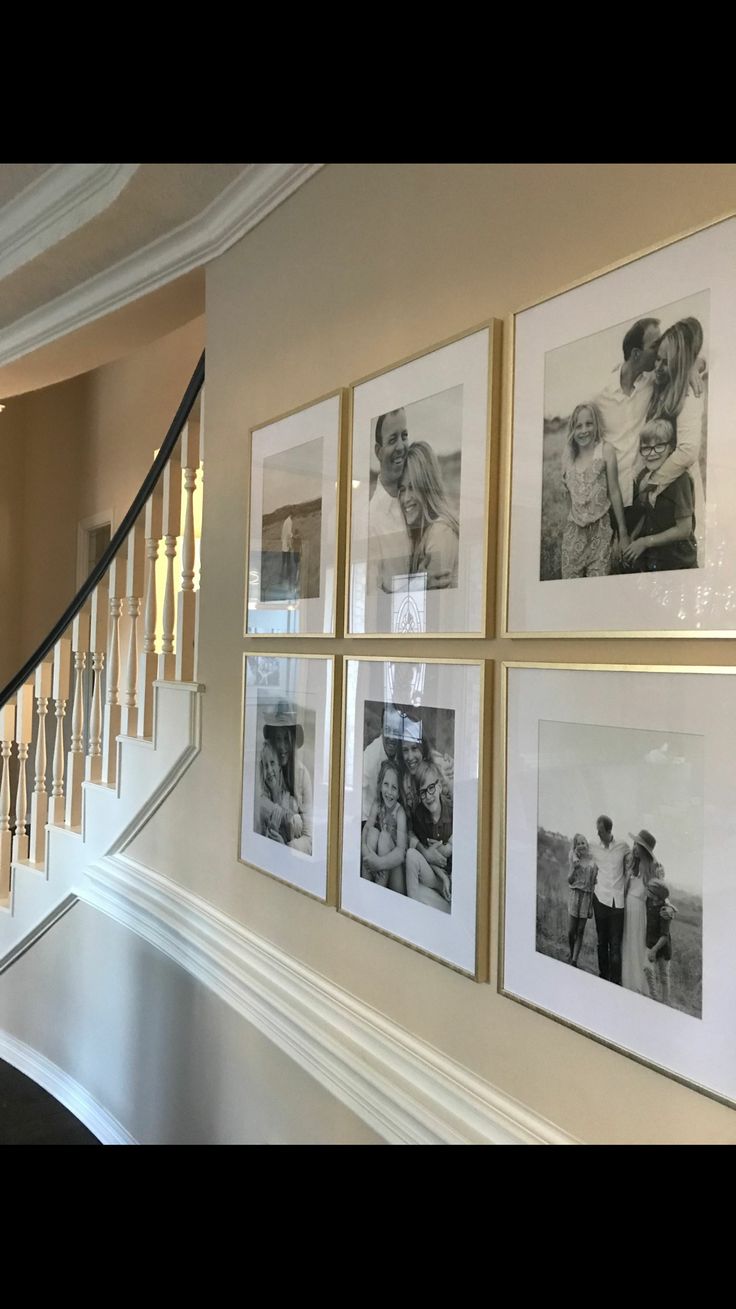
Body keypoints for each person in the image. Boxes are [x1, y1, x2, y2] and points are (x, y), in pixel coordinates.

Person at [643, 320, 706, 564]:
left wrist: (651, 483)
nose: (658, 367)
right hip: (661, 498)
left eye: (665, 362)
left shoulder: (689, 392)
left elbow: (688, 451)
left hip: (678, 493)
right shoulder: (661, 386)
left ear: (680, 362)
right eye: (657, 359)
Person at [594, 317, 661, 528]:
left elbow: (697, 359)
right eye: (654, 346)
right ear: (635, 354)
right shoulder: (599, 396)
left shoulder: (651, 381)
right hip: (611, 497)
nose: (659, 352)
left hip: (644, 489)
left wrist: (695, 367)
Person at [560, 403, 628, 578]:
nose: (584, 430)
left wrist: (622, 531)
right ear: (572, 430)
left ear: (596, 424)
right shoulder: (568, 455)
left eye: (589, 424)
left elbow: (614, 491)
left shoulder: (605, 450)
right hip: (574, 535)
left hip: (600, 531)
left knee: (598, 588)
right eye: (578, 426)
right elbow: (568, 494)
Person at [622, 419, 697, 572]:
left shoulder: (680, 479)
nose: (652, 453)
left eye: (659, 446)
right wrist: (632, 541)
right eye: (646, 448)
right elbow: (646, 513)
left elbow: (684, 529)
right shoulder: (644, 476)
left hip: (680, 561)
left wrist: (645, 542)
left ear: (671, 448)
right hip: (656, 559)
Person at [398, 442, 459, 589]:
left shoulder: (440, 533)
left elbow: (435, 604)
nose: (406, 498)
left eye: (413, 488)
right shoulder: (417, 534)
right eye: (402, 489)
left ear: (428, 489)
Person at [367, 408, 411, 593]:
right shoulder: (371, 519)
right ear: (379, 451)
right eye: (393, 440)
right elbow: (372, 594)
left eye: (404, 436)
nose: (401, 446)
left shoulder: (418, 502)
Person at [261, 704, 312, 854]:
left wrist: (286, 847)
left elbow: (309, 838)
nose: (282, 746)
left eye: (286, 738)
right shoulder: (266, 771)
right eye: (278, 739)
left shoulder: (302, 775)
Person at [405, 761, 452, 913]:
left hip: (454, 874)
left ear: (439, 786)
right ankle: (413, 911)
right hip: (436, 875)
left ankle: (446, 904)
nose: (428, 796)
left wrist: (449, 848)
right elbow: (426, 855)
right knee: (411, 855)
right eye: (423, 792)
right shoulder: (420, 814)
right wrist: (442, 878)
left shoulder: (452, 810)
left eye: (431, 788)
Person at [622, 829, 663, 994]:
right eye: (634, 844)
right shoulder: (632, 865)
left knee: (637, 946)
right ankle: (627, 982)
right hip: (627, 908)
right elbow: (625, 890)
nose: (634, 848)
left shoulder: (651, 870)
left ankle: (639, 985)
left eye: (637, 846)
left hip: (639, 912)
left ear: (644, 850)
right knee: (627, 944)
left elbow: (657, 894)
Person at [592, 815, 630, 985]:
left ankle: (615, 983)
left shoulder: (622, 846)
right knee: (602, 942)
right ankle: (603, 977)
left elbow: (634, 859)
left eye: (600, 831)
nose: (597, 833)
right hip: (600, 899)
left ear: (608, 830)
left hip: (618, 904)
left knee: (615, 945)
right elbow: (580, 855)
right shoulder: (594, 847)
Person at [361, 759, 407, 893]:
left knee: (385, 837)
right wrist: (371, 860)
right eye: (386, 784)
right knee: (373, 833)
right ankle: (365, 890)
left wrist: (379, 863)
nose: (389, 791)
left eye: (394, 787)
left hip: (394, 871)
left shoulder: (400, 813)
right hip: (378, 866)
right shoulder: (377, 805)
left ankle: (376, 893)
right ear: (380, 785)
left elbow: (401, 853)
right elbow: (366, 832)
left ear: (399, 793)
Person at [257, 740, 303, 845]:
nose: (269, 771)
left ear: (279, 766)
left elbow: (297, 847)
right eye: (265, 766)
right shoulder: (262, 803)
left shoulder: (291, 802)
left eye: (272, 763)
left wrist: (282, 844)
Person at [643, 878, 677, 1005]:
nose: (647, 891)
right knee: (647, 968)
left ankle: (665, 1002)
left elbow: (664, 936)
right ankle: (654, 998)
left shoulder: (664, 911)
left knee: (664, 976)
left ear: (656, 895)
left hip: (662, 947)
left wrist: (653, 950)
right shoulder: (649, 902)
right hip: (651, 943)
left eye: (650, 890)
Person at [566, 833, 598, 966]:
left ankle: (574, 960)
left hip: (586, 897)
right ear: (575, 846)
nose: (581, 845)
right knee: (571, 931)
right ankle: (571, 951)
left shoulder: (592, 862)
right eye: (578, 843)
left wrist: (590, 905)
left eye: (583, 842)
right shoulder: (574, 859)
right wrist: (575, 868)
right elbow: (569, 880)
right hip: (575, 895)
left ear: (587, 845)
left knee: (580, 930)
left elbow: (592, 886)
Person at [280, 513, 294, 585]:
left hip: (283, 544)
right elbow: (289, 533)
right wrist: (292, 537)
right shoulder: (289, 521)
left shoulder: (285, 521)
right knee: (288, 562)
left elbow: (282, 534)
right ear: (292, 515)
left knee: (283, 562)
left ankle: (282, 577)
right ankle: (287, 576)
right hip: (286, 545)